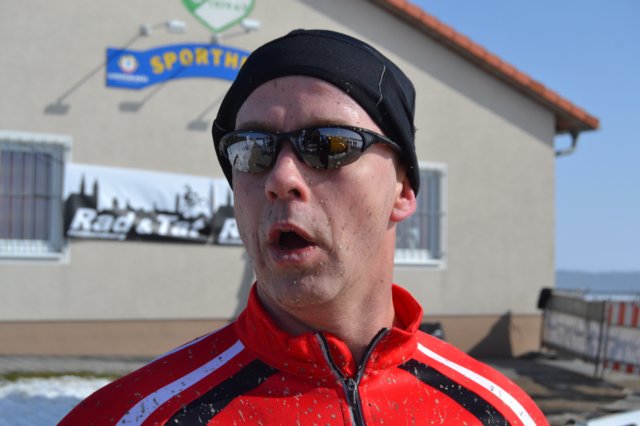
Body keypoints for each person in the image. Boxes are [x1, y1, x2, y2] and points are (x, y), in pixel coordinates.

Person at [60, 29, 547, 425]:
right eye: (252, 150)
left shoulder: (501, 415)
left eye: (330, 145)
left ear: (402, 189)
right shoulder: (129, 417)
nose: (281, 179)